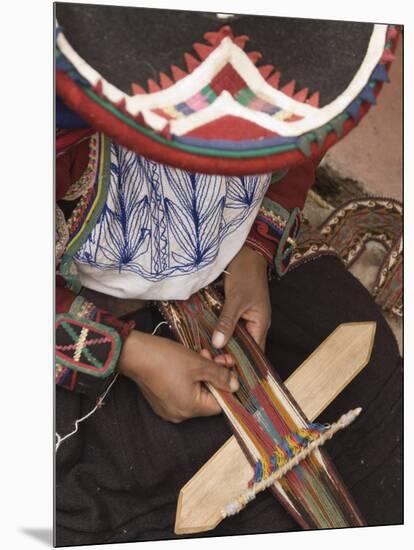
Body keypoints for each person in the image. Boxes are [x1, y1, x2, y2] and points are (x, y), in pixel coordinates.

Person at [55, 5, 402, 546]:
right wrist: (129, 354)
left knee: (376, 381)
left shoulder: (306, 46)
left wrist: (255, 250)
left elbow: (300, 150)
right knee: (96, 499)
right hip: (71, 301)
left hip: (231, 267)